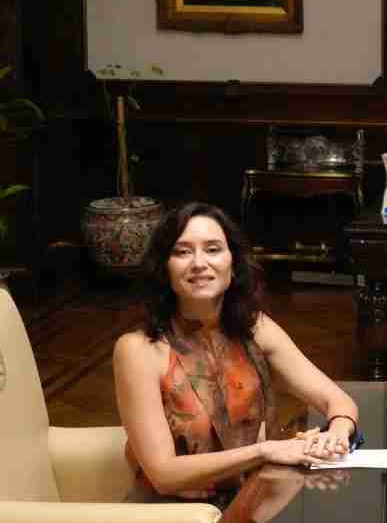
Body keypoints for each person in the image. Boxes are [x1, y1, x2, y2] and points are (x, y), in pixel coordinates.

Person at [115, 202, 360, 501]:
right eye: (182, 251)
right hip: (170, 522)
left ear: (233, 263)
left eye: (213, 249)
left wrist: (336, 433)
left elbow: (337, 400)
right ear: (164, 268)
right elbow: (164, 475)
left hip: (246, 506)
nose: (199, 263)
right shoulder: (138, 350)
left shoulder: (255, 328)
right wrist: (264, 450)